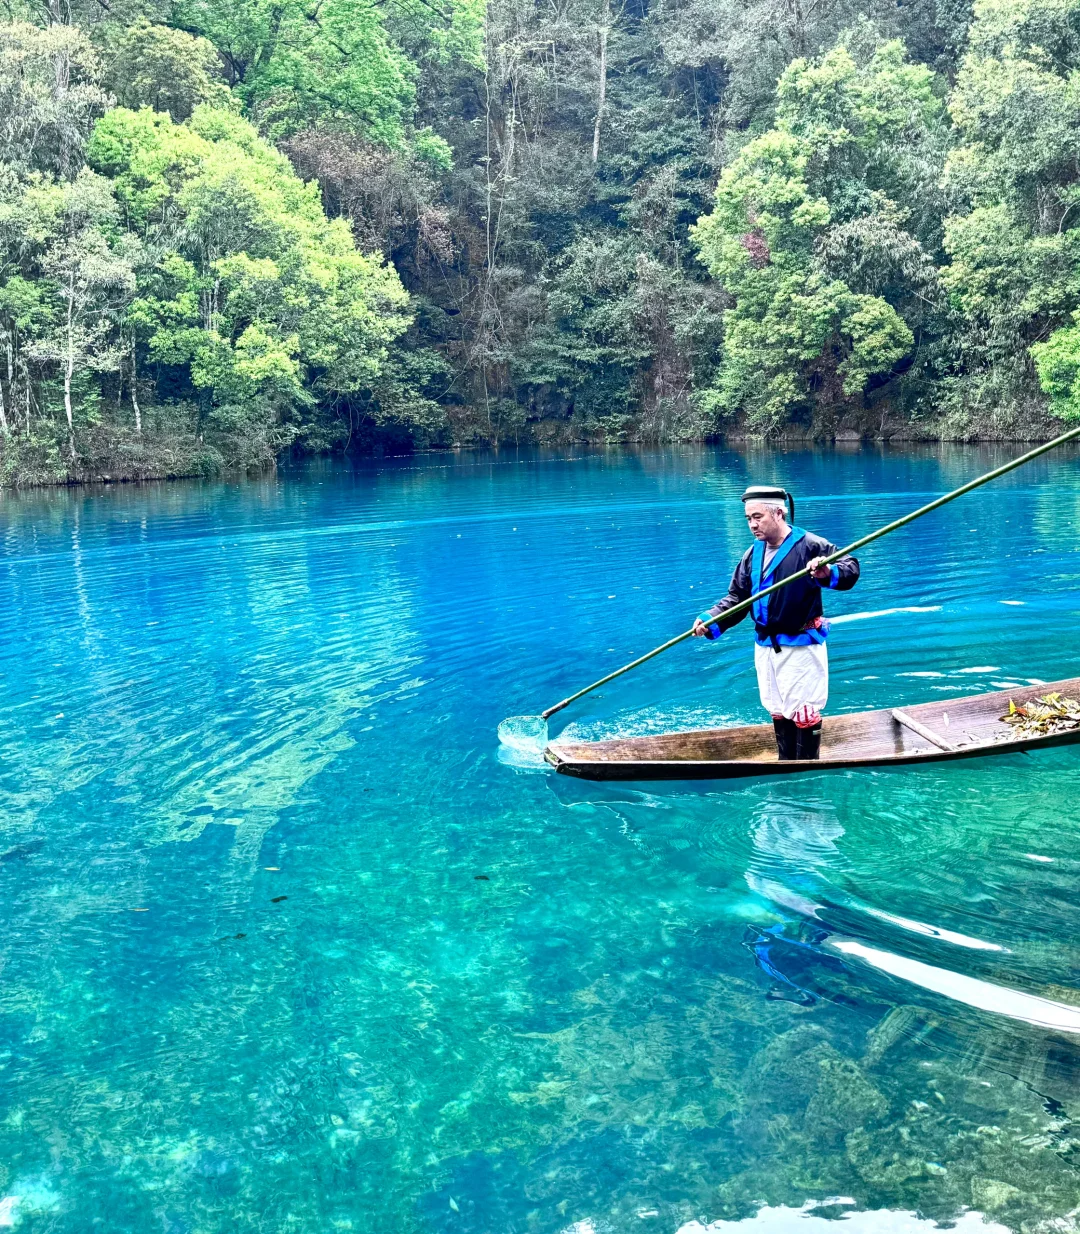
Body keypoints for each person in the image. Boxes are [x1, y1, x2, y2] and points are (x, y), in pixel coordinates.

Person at [692, 485, 860, 761]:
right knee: (777, 706)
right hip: (765, 647)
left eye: (757, 517)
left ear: (779, 513)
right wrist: (712, 619)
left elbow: (850, 569)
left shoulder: (811, 546)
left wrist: (826, 571)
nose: (752, 524)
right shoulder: (752, 554)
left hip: (800, 646)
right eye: (748, 518)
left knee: (803, 710)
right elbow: (738, 598)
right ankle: (785, 763)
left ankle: (805, 770)